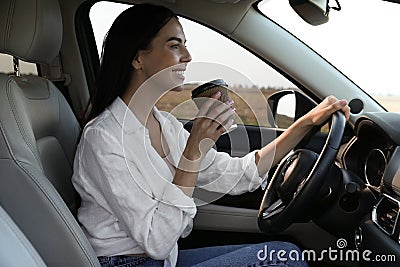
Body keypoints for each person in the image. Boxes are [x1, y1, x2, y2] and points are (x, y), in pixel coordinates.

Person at [72, 3, 350, 267]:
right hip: (127, 262)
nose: (188, 56)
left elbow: (238, 174)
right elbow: (156, 240)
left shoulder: (165, 125)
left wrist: (306, 122)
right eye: (174, 45)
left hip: (165, 259)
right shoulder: (103, 138)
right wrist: (194, 150)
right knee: (282, 258)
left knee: (281, 251)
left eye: (185, 45)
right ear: (137, 57)